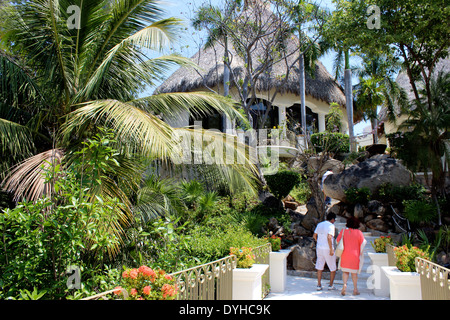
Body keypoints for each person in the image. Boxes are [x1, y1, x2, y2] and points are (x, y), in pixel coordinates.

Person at [336, 217, 367, 296]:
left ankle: (344, 284)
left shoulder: (343, 231)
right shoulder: (359, 232)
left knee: (345, 271)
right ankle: (355, 289)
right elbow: (363, 243)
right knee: (354, 274)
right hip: (355, 255)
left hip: (345, 254)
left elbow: (337, 241)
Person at [313, 212, 337, 291]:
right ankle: (331, 285)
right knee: (332, 267)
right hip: (327, 248)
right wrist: (331, 249)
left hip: (319, 247)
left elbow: (314, 235)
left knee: (319, 266)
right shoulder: (331, 226)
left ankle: (319, 285)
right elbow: (329, 237)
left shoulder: (319, 224)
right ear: (333, 219)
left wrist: (319, 242)